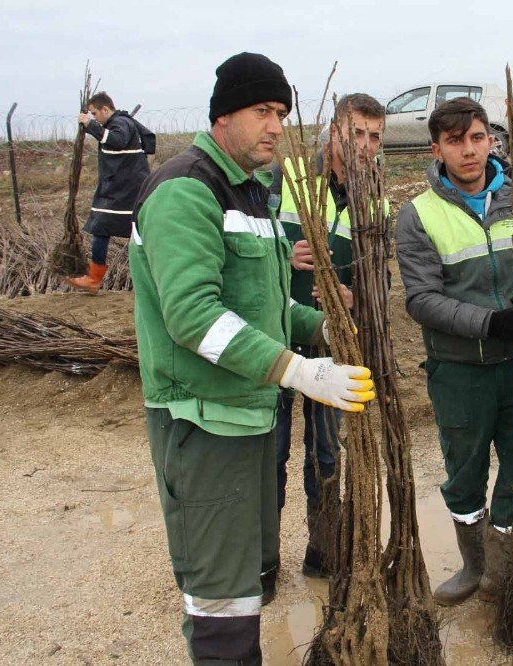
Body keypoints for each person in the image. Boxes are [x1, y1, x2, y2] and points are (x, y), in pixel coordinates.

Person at [128, 52, 375, 664]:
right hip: (201, 420)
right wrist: (300, 371)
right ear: (223, 115)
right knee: (223, 603)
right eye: (262, 111)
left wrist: (327, 331)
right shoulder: (187, 190)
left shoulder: (251, 194)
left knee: (240, 586)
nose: (275, 126)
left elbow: (266, 311)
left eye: (282, 113)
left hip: (243, 416)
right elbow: (193, 318)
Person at [395, 97, 513, 606]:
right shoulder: (418, 215)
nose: (469, 150)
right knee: (464, 472)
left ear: (492, 140)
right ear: (437, 148)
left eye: (477, 137)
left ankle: (501, 564)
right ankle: (473, 564)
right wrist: (492, 322)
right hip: (460, 369)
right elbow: (421, 300)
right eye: (455, 141)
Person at [269, 92, 386, 578]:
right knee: (269, 448)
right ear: (334, 131)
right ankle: (262, 562)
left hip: (332, 339)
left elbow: (377, 274)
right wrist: (284, 255)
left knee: (325, 451)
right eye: (355, 132)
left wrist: (354, 296)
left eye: (374, 136)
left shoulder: (373, 194)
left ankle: (322, 551)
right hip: (275, 331)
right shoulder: (287, 178)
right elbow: (247, 246)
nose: (364, 145)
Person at [68, 92, 151, 292]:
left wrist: (90, 125)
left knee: (116, 229)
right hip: (119, 188)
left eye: (95, 113)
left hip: (125, 190)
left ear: (105, 109)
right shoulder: (117, 122)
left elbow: (117, 140)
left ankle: (95, 279)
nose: (94, 117)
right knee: (109, 229)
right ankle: (94, 279)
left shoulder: (121, 123)